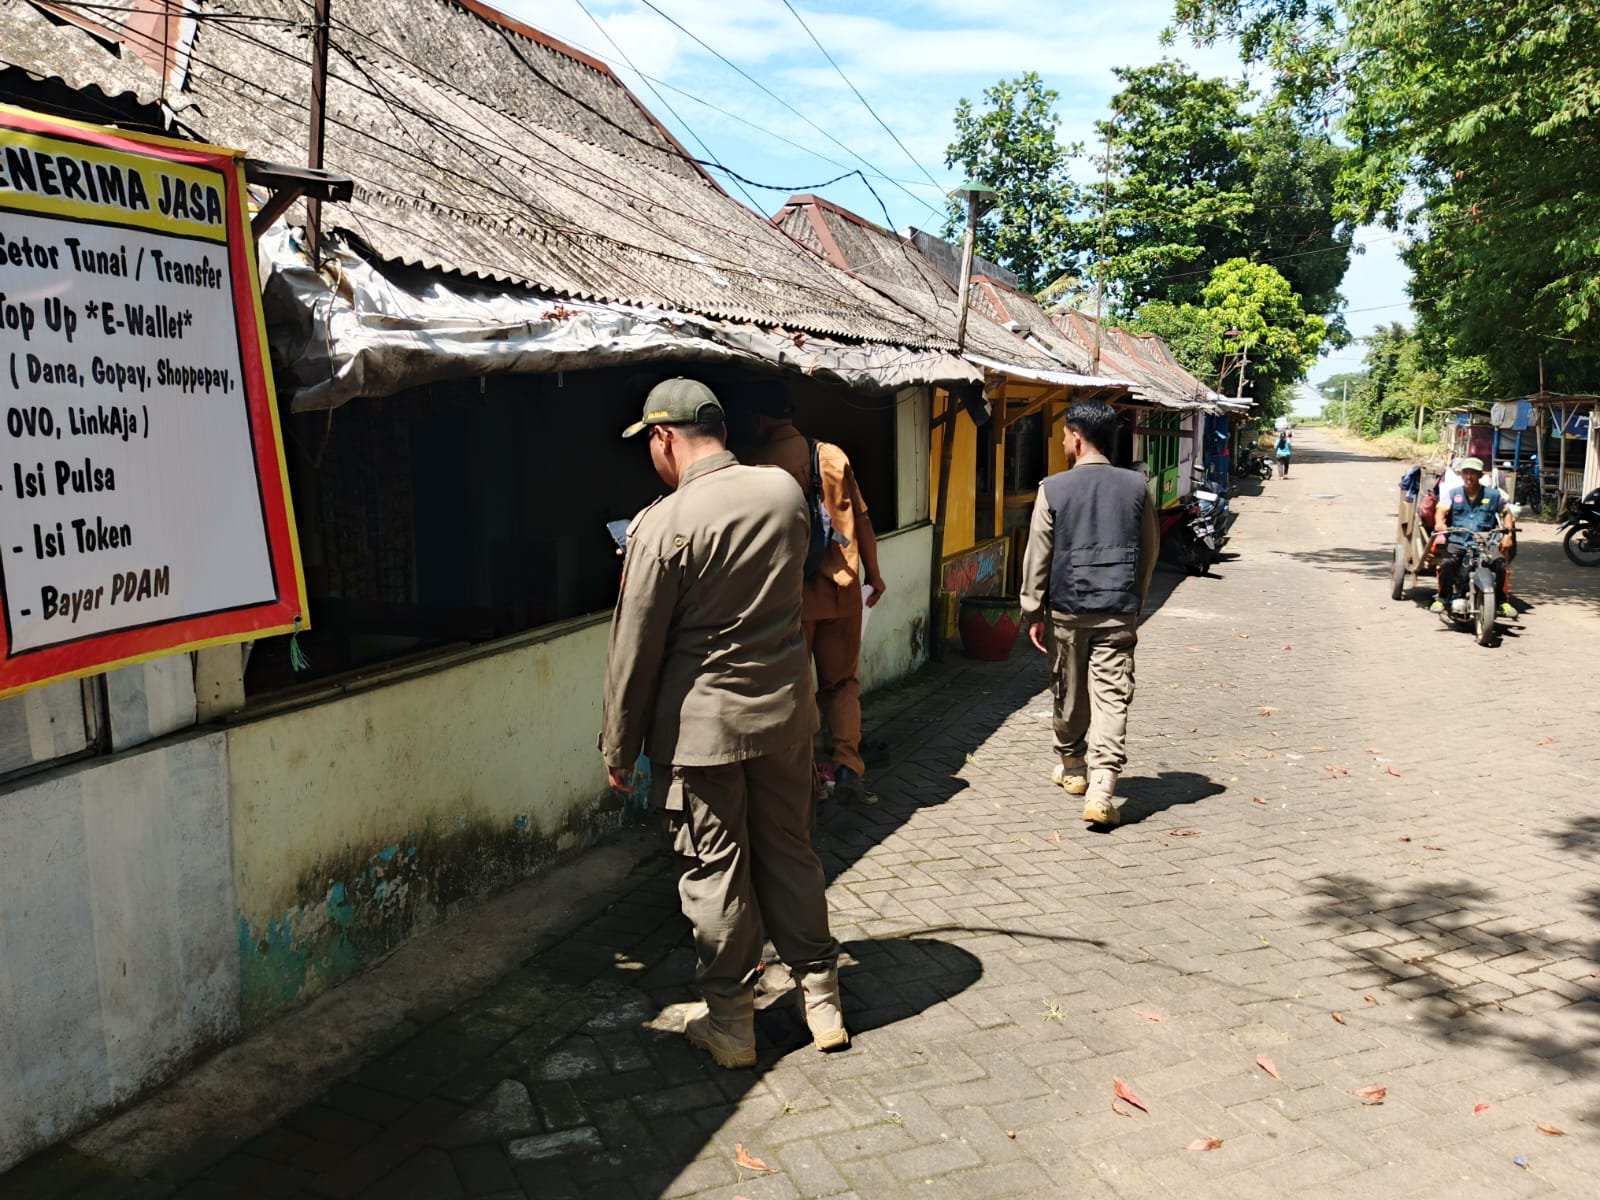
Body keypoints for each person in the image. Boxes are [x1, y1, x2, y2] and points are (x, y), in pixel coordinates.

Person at [600, 378, 848, 1068]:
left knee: (717, 870)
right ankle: (822, 998)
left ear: (662, 437)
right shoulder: (782, 494)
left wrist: (619, 744)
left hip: (704, 729)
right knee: (790, 849)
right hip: (785, 714)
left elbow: (636, 646)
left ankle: (733, 1022)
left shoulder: (662, 524)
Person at [738, 391, 886, 806]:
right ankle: (847, 766)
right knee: (842, 684)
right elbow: (861, 520)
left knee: (793, 687)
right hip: (842, 590)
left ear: (760, 421)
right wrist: (874, 575)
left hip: (790, 597)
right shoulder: (832, 455)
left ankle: (804, 777)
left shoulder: (755, 466)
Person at [1019, 400, 1161, 828]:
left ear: (1077, 438)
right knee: (1112, 697)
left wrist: (1032, 610)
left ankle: (1074, 768)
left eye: (1064, 435)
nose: (1063, 442)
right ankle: (1102, 790)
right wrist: (1135, 598)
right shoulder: (1137, 487)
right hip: (1118, 610)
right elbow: (1149, 550)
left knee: (1068, 690)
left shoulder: (1053, 489)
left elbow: (1037, 556)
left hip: (1067, 609)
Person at [1431, 456, 1516, 617]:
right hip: (1459, 540)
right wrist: (1440, 524)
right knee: (1448, 563)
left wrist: (1508, 535)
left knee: (1499, 564)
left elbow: (1507, 513)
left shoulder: (1493, 495)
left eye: (1473, 473)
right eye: (1465, 473)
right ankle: (1442, 598)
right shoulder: (1453, 494)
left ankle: (1502, 601)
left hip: (1486, 541)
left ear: (1480, 475)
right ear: (1461, 474)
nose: (1469, 477)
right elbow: (1441, 511)